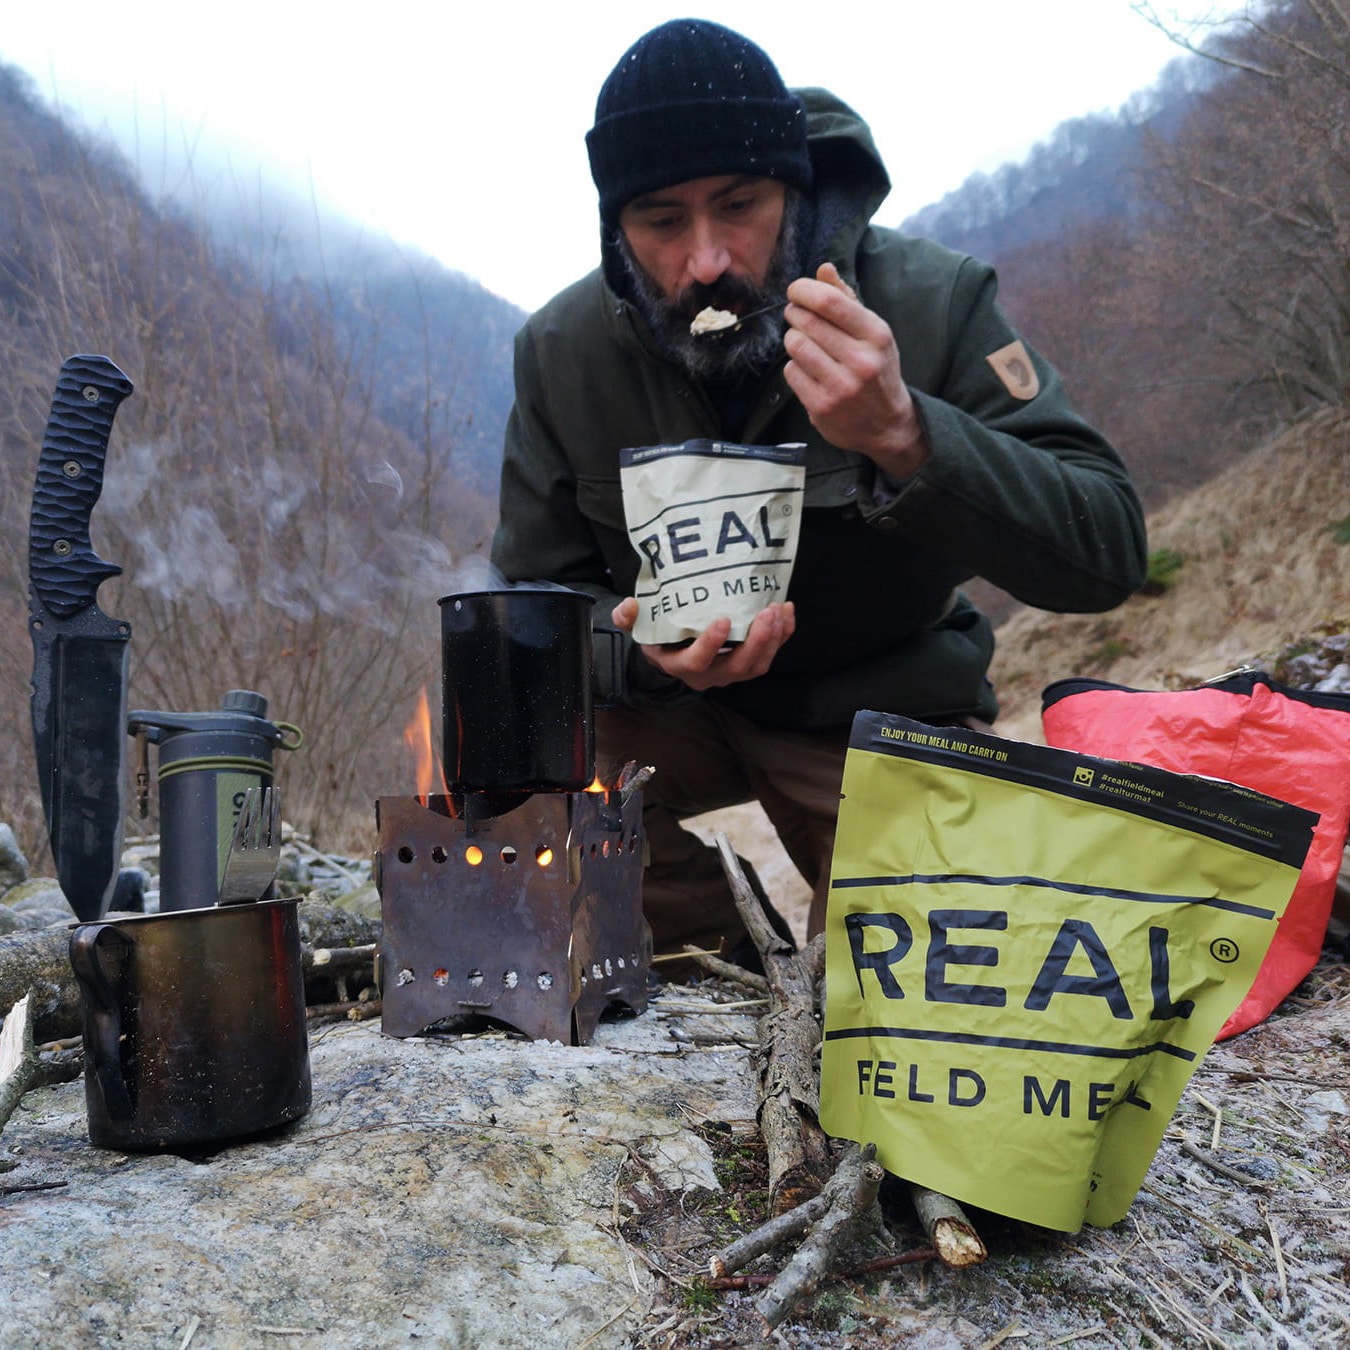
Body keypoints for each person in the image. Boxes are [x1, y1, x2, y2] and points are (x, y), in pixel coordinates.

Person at [490, 18, 1147, 964]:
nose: (706, 260)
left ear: (794, 193)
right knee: (512, 788)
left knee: (927, 984)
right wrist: (639, 658)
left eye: (740, 205)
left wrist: (907, 435)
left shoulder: (931, 300)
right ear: (616, 229)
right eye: (663, 222)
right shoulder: (560, 354)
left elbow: (1109, 550)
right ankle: (723, 965)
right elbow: (529, 610)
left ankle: (842, 969)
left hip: (879, 705)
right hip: (667, 716)